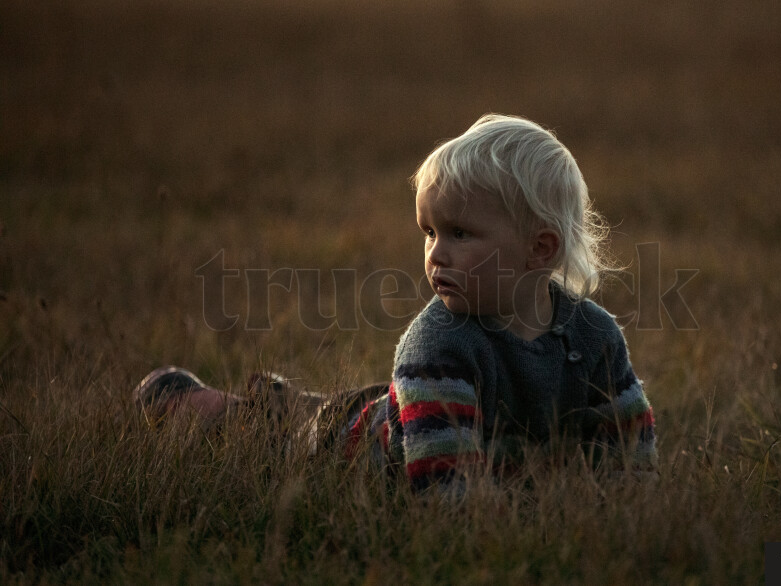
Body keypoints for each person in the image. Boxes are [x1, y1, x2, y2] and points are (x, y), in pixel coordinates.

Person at [135, 114, 657, 493]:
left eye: (458, 233)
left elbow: (631, 454)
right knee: (272, 437)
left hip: (394, 409)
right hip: (344, 449)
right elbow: (445, 493)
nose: (436, 253)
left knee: (328, 405)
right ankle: (189, 401)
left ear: (539, 249)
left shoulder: (593, 336)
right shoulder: (439, 342)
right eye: (428, 232)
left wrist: (622, 500)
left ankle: (286, 400)